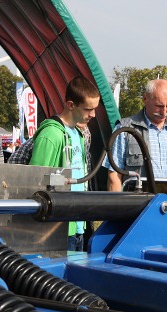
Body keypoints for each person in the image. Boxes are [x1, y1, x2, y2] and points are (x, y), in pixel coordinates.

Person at [30, 76, 100, 251]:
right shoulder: (51, 134)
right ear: (70, 105)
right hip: (57, 225)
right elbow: (34, 181)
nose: (93, 114)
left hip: (77, 224)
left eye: (94, 109)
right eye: (88, 109)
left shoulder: (78, 133)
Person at [104, 79, 167, 191]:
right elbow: (114, 176)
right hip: (138, 203)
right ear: (145, 99)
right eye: (159, 106)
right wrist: (119, 206)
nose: (164, 112)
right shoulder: (124, 128)